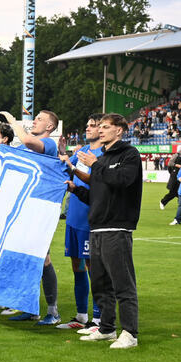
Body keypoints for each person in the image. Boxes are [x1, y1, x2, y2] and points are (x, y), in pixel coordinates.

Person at [68, 113, 142, 349]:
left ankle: (130, 333)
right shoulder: (102, 158)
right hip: (97, 227)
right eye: (99, 126)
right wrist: (75, 189)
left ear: (119, 130)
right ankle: (107, 329)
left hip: (117, 227)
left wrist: (95, 165)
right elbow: (97, 196)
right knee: (100, 284)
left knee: (123, 283)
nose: (100, 130)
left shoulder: (129, 154)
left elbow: (123, 180)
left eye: (106, 127)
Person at [3, 110, 62, 325]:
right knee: (24, 256)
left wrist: (13, 122)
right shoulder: (25, 147)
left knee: (43, 259)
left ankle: (53, 312)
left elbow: (28, 141)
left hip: (40, 207)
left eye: (39, 119)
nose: (34, 121)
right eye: (35, 117)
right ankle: (29, 307)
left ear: (50, 127)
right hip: (23, 206)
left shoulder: (49, 144)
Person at [58, 114, 104, 331]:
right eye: (87, 125)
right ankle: (81, 316)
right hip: (73, 216)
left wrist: (72, 165)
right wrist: (63, 155)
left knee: (93, 267)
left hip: (89, 218)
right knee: (77, 266)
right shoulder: (82, 151)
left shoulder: (103, 154)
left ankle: (99, 319)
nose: (88, 128)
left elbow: (96, 181)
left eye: (92, 125)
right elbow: (68, 170)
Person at [159, 143, 181, 210]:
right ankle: (163, 202)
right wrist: (177, 165)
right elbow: (170, 163)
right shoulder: (176, 155)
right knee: (174, 192)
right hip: (175, 176)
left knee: (180, 192)